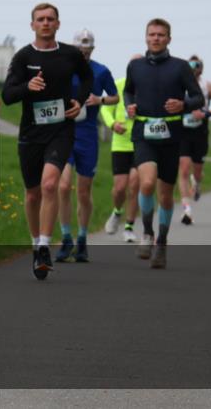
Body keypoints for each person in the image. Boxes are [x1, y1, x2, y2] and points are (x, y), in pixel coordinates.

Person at [2, 3, 92, 280]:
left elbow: (86, 77)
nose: (45, 23)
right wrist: (27, 87)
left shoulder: (70, 54)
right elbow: (7, 95)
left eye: (50, 19)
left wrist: (80, 99)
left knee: (50, 184)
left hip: (61, 130)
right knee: (32, 194)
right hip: (31, 133)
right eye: (40, 19)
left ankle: (44, 245)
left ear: (58, 24)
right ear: (32, 25)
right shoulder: (22, 57)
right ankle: (35, 243)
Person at [123, 18, 204, 269]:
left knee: (166, 193)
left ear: (169, 38)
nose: (156, 38)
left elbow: (198, 98)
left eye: (161, 35)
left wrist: (184, 105)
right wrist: (129, 105)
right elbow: (128, 91)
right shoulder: (135, 66)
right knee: (146, 183)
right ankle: (147, 233)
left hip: (171, 133)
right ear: (145, 37)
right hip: (144, 131)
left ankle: (162, 242)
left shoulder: (180, 67)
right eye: (151, 34)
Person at [56, 29, 119, 262]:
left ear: (93, 49)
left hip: (87, 135)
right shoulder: (63, 68)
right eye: (79, 49)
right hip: (64, 132)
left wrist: (99, 100)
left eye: (87, 49)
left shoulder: (101, 71)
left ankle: (82, 239)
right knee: (63, 187)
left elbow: (115, 97)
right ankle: (65, 237)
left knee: (83, 191)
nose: (83, 52)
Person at [99, 56, 142, 242]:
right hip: (120, 144)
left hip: (141, 143)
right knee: (119, 189)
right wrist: (112, 124)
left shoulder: (149, 88)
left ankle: (129, 226)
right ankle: (117, 212)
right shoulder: (118, 85)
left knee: (135, 184)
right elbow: (105, 109)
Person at [177, 56, 211, 225]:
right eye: (190, 66)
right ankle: (187, 209)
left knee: (197, 171)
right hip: (183, 131)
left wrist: (205, 114)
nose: (194, 68)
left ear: (201, 69)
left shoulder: (208, 86)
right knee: (183, 170)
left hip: (200, 132)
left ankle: (197, 183)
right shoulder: (179, 84)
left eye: (197, 66)